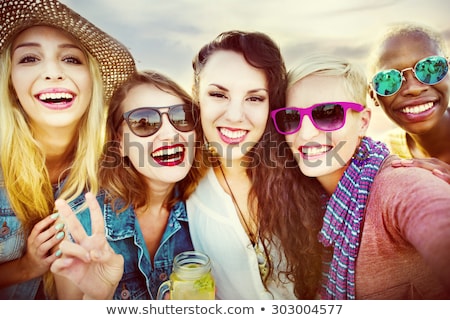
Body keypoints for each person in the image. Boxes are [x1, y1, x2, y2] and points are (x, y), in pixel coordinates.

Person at [271, 53, 450, 299]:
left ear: (363, 122)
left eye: (328, 113)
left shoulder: (397, 184)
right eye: (291, 118)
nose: (306, 133)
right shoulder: (297, 198)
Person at [0, 0, 135, 299]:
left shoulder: (113, 176)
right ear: (10, 83)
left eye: (72, 59)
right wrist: (26, 267)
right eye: (29, 58)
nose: (52, 72)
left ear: (92, 82)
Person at [186, 30, 319, 299]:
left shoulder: (303, 167)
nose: (235, 116)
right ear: (197, 98)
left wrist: (387, 164)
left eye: (254, 98)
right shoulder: (180, 185)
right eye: (218, 95)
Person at [51, 70, 204, 299]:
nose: (170, 134)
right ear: (119, 144)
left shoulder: (207, 210)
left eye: (182, 116)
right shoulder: (80, 223)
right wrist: (95, 299)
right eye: (144, 122)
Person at [368, 23, 450, 181]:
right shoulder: (382, 157)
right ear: (373, 96)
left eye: (431, 68)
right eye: (389, 80)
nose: (413, 89)